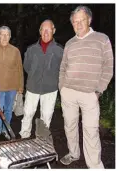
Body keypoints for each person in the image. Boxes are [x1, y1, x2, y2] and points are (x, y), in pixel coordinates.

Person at [59, 6, 114, 168]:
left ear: (89, 20)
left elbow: (109, 66)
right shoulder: (69, 43)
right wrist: (62, 87)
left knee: (91, 131)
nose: (78, 24)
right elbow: (63, 67)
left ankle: (95, 165)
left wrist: (98, 90)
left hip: (90, 94)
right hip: (68, 92)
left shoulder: (102, 39)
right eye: (75, 22)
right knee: (69, 126)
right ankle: (74, 153)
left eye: (81, 20)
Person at [19, 19, 63, 138]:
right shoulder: (31, 49)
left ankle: (42, 140)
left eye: (48, 29)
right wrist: (35, 76)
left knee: (46, 115)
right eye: (43, 29)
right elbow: (26, 66)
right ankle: (24, 136)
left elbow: (62, 69)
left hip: (50, 89)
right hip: (32, 87)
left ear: (53, 31)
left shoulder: (60, 50)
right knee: (28, 113)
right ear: (40, 31)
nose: (46, 32)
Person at [0, 26, 24, 140]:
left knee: (8, 110)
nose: (4, 37)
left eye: (7, 34)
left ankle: (5, 130)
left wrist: (20, 87)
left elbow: (19, 69)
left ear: (10, 36)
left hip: (12, 87)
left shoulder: (15, 51)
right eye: (2, 34)